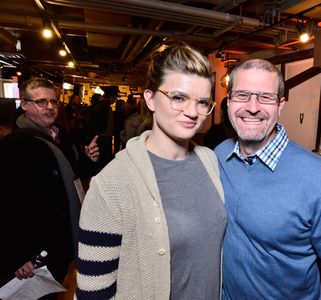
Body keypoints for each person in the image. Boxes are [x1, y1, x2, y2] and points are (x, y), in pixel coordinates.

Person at [76, 43, 227, 299]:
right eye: (178, 98)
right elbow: (93, 290)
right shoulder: (112, 183)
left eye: (203, 102)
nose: (192, 112)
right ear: (150, 99)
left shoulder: (209, 160)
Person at [214, 58, 321, 300]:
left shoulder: (319, 178)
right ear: (229, 101)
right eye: (242, 95)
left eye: (265, 97)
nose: (252, 107)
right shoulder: (219, 155)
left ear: (280, 105)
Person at [0, 78, 99, 298]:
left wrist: (87, 159)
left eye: (54, 102)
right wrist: (17, 255)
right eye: (41, 102)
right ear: (24, 105)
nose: (50, 107)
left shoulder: (61, 136)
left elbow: (69, 175)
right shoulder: (14, 146)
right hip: (34, 247)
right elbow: (6, 204)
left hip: (58, 241)